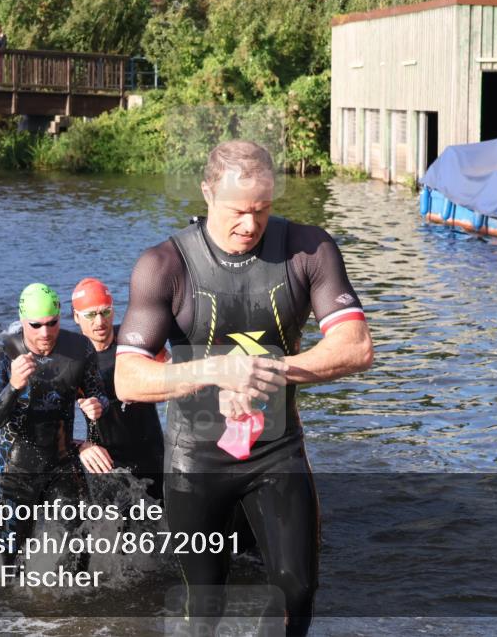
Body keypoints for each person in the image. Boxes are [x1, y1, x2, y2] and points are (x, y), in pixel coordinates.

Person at [115, 140, 374, 635]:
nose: (251, 225)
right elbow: (129, 378)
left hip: (276, 452)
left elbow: (356, 346)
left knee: (296, 589)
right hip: (196, 461)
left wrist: (267, 370)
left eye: (263, 209)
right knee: (205, 601)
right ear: (207, 193)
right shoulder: (164, 265)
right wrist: (215, 370)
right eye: (237, 210)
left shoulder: (308, 249)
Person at [0, 283, 107, 569]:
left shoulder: (79, 348)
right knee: (11, 563)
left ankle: (75, 613)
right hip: (15, 472)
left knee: (78, 556)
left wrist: (95, 410)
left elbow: (99, 396)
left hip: (62, 466)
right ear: (22, 320)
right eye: (35, 325)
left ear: (61, 316)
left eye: (52, 323)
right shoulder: (1, 354)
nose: (45, 333)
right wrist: (12, 387)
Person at [71, 277, 165, 499]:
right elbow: (45, 425)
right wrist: (81, 448)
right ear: (76, 317)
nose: (99, 322)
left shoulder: (135, 340)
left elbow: (170, 374)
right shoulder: (71, 359)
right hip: (106, 462)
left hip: (152, 455)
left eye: (105, 312)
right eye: (90, 315)